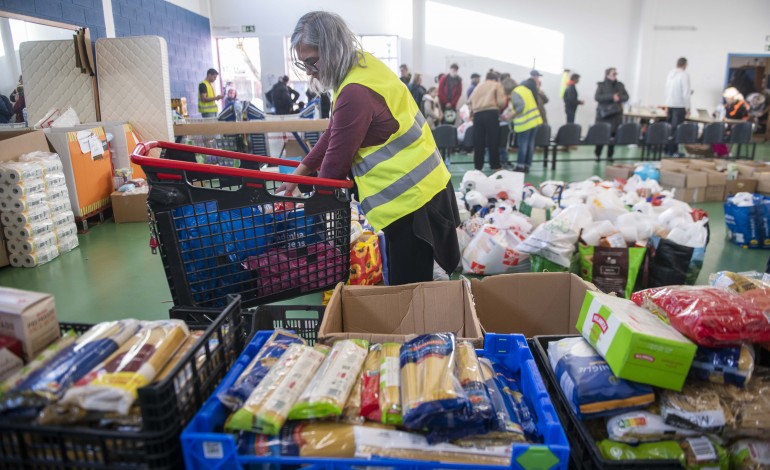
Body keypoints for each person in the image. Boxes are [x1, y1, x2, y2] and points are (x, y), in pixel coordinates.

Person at [280, 11, 460, 285]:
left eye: (312, 62)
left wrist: (305, 207)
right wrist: (300, 173)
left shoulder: (354, 91)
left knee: (410, 291)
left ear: (332, 49)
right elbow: (335, 131)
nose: (309, 71)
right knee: (414, 284)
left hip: (412, 205)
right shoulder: (362, 66)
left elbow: (333, 171)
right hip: (424, 192)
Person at [467, 71, 506, 171]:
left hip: (477, 115)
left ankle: (478, 167)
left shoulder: (478, 87)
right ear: (495, 79)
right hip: (491, 113)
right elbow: (501, 102)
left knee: (478, 142)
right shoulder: (496, 85)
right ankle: (495, 165)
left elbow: (469, 101)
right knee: (493, 140)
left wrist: (473, 111)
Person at [511, 71, 544, 173]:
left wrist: (510, 115)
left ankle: (520, 166)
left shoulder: (516, 92)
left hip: (525, 122)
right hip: (535, 120)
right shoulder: (527, 90)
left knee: (524, 145)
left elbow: (520, 107)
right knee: (530, 144)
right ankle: (527, 165)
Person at [594, 67, 629, 161]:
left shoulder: (620, 85)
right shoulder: (601, 85)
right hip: (603, 115)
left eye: (616, 73)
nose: (615, 75)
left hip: (615, 115)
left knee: (613, 137)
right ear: (608, 74)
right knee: (601, 136)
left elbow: (626, 97)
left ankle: (610, 155)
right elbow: (597, 97)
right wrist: (611, 97)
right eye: (613, 73)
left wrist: (619, 98)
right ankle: (597, 154)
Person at [664, 57, 691, 156]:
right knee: (677, 129)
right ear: (685, 65)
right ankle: (673, 151)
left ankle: (667, 149)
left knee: (670, 128)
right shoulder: (684, 75)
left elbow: (667, 90)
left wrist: (666, 105)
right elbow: (686, 93)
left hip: (670, 105)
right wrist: (688, 108)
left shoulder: (670, 74)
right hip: (679, 106)